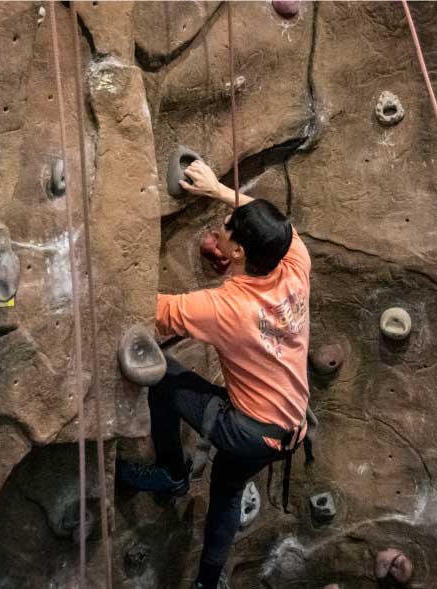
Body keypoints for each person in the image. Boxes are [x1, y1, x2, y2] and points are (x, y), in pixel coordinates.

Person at [118, 160, 311, 589]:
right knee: (226, 491)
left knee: (162, 376)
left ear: (237, 252)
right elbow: (276, 225)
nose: (221, 226)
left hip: (247, 428)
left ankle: (171, 470)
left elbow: (148, 311)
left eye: (227, 226)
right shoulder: (294, 262)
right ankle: (207, 582)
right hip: (290, 423)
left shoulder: (226, 308)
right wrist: (217, 189)